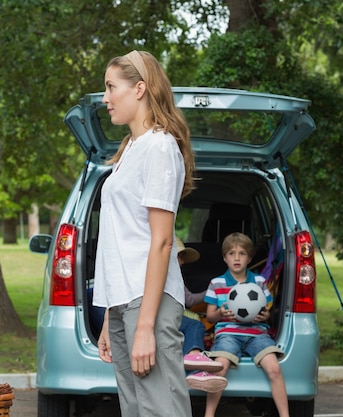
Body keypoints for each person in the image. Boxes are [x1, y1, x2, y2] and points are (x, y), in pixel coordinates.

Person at [93, 50, 195, 417]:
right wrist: (109, 317)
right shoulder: (131, 149)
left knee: (162, 409)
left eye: (110, 87)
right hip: (124, 303)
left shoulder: (159, 146)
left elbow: (163, 241)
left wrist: (146, 326)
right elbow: (120, 241)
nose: (105, 98)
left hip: (147, 302)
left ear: (139, 88)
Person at [187, 232, 289, 417]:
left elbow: (266, 312)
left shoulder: (259, 281)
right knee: (220, 367)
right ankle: (209, 415)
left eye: (242, 253)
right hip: (228, 334)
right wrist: (220, 313)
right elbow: (210, 317)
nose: (236, 258)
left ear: (249, 258)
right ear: (225, 258)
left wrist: (264, 316)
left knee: (274, 368)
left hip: (257, 334)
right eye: (232, 253)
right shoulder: (216, 283)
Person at [176, 237, 223, 376]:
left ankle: (195, 369)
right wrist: (212, 291)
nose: (183, 261)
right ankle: (194, 356)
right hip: (161, 317)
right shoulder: (171, 277)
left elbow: (188, 300)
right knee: (196, 325)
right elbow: (190, 300)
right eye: (180, 257)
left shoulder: (174, 275)